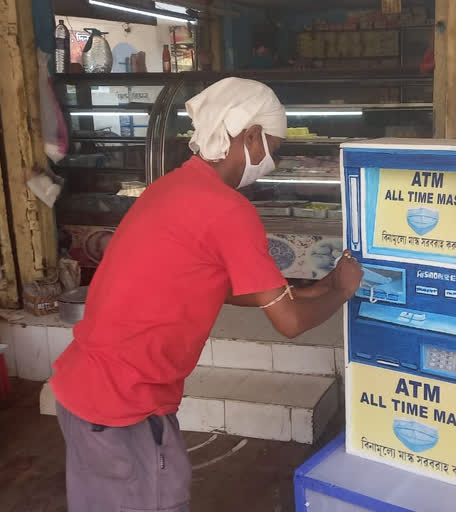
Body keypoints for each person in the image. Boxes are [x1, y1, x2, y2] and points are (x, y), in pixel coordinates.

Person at [50, 77, 363, 512]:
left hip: (86, 390)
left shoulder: (173, 186)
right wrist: (344, 291)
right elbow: (289, 324)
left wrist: (320, 288)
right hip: (122, 403)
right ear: (250, 135)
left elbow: (213, 285)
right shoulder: (228, 210)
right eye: (275, 145)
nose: (273, 158)